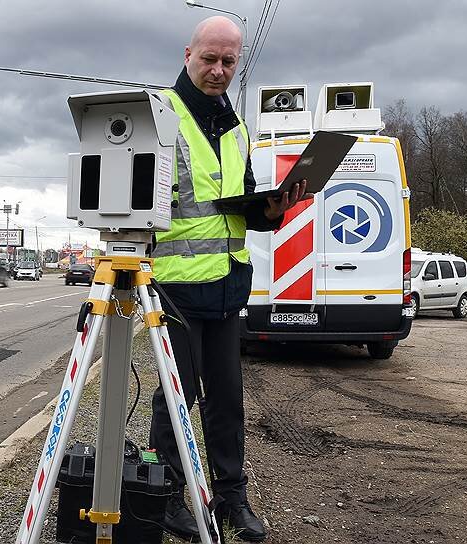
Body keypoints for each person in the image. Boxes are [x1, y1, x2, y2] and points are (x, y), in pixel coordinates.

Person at [148, 16, 310, 542]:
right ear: (187, 53)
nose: (219, 71)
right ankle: (170, 495)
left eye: (228, 62)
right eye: (209, 59)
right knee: (178, 397)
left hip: (226, 284)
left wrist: (273, 209)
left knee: (227, 399)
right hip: (175, 285)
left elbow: (233, 208)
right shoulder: (162, 115)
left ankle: (230, 497)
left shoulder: (236, 126)